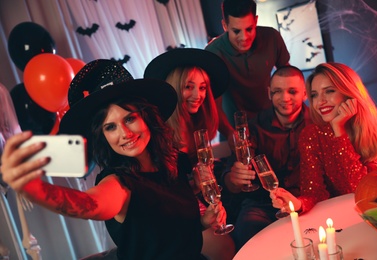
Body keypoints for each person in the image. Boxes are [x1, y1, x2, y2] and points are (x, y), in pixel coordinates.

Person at [0, 60, 227, 260]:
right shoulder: (118, 183)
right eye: (110, 127)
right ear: (103, 137)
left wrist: (202, 223)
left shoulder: (172, 162)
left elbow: (169, 235)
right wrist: (33, 187)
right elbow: (89, 205)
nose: (125, 133)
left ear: (146, 117)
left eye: (130, 118)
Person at [144, 48, 235, 260]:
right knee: (225, 248)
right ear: (174, 88)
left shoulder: (196, 125)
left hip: (197, 203)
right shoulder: (159, 134)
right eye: (188, 87)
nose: (198, 95)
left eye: (202, 88)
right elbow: (161, 191)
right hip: (175, 213)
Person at [272, 62, 377, 215]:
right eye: (314, 95)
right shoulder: (311, 136)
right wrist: (297, 203)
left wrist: (339, 134)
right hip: (340, 217)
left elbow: (367, 194)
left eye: (329, 91)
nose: (320, 102)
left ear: (349, 92)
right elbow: (314, 193)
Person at [221, 65, 311, 250]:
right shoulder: (252, 128)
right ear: (269, 93)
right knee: (248, 236)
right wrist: (234, 178)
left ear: (305, 94)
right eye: (278, 91)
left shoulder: (317, 123)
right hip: (261, 206)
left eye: (292, 91)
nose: (285, 98)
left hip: (307, 201)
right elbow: (230, 181)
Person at [205, 0, 290, 147]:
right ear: (225, 26)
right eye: (236, 31)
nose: (244, 38)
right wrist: (230, 133)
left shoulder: (272, 37)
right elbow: (213, 106)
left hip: (273, 124)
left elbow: (288, 77)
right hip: (234, 131)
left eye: (249, 29)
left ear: (256, 20)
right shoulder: (212, 54)